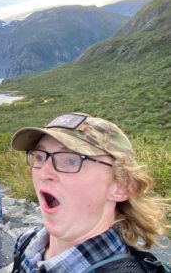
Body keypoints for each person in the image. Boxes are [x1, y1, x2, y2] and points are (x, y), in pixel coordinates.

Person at [10, 112, 169, 272]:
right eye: (39, 157)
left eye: (71, 160)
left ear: (122, 186)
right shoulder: (27, 241)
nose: (44, 173)